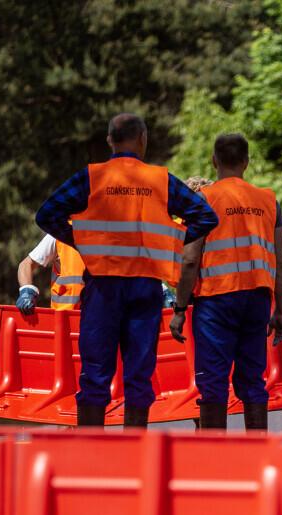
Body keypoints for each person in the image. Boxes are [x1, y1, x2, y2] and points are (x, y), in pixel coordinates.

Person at [35, 113, 217, 428]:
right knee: (139, 376)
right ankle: (135, 449)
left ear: (110, 141)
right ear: (143, 139)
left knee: (95, 374)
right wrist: (170, 243)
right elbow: (206, 216)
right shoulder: (160, 180)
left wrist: (81, 241)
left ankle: (92, 448)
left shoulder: (91, 177)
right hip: (144, 286)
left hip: (102, 288)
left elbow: (46, 214)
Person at [170, 132, 282, 432]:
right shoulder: (269, 201)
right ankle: (258, 447)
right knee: (253, 380)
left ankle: (214, 452)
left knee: (213, 381)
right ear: (246, 162)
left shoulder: (204, 199)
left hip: (215, 302)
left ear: (214, 161)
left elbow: (190, 259)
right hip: (257, 300)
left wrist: (180, 308)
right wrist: (281, 311)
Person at [15, 233, 88, 314]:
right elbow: (26, 264)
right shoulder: (59, 233)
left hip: (94, 316)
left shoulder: (99, 236)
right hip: (63, 316)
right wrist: (26, 292)